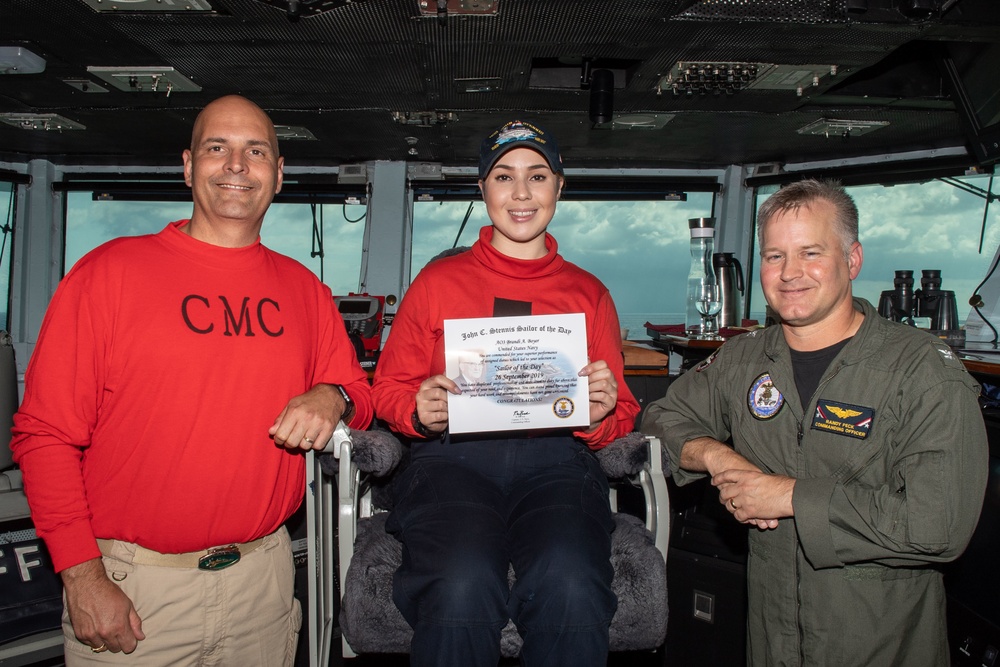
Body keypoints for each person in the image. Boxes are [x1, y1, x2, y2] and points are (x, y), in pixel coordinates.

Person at [10, 95, 373, 665]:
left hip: (264, 583)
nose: (236, 165)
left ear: (278, 175)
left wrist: (334, 394)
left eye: (255, 151)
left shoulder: (305, 290)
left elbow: (361, 394)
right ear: (187, 165)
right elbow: (44, 435)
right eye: (217, 148)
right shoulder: (108, 275)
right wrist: (82, 578)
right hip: (135, 589)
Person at [642, 178, 988, 666]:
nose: (790, 273)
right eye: (775, 256)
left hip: (878, 641)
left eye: (810, 253)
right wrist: (719, 457)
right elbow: (661, 417)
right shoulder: (745, 358)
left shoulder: (921, 373)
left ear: (852, 260)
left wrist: (787, 496)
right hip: (770, 637)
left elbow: (939, 527)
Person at [371, 119, 640, 667]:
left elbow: (622, 414)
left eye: (537, 176)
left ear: (559, 187)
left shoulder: (589, 293)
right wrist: (417, 410)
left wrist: (599, 411)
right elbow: (388, 391)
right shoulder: (436, 284)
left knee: (571, 579)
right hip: (451, 461)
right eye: (503, 177)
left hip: (557, 461)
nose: (521, 193)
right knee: (460, 579)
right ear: (482, 189)